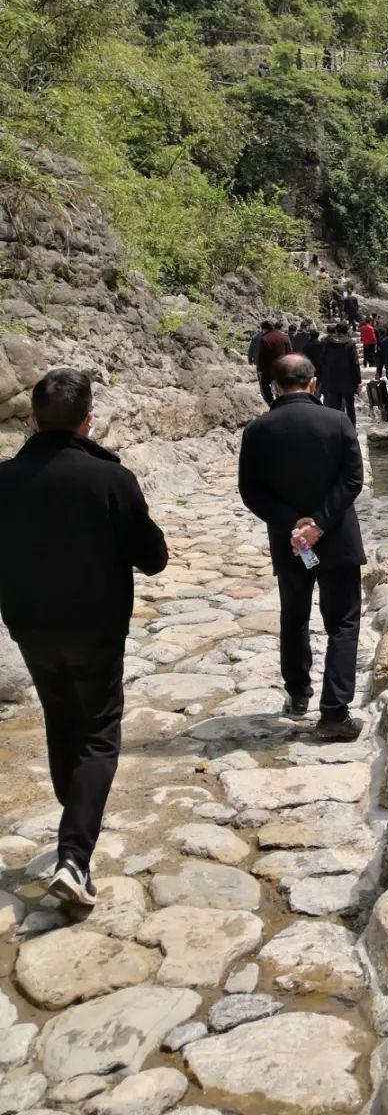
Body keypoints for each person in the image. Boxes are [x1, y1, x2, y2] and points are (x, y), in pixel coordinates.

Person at [0, 369, 168, 907]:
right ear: (88, 418)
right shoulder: (109, 479)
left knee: (60, 720)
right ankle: (74, 855)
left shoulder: (2, 479)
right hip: (95, 627)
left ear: (32, 418)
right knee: (98, 735)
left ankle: (75, 823)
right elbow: (153, 558)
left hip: (28, 624)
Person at [238, 354, 364, 741]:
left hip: (289, 542)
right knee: (342, 622)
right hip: (336, 538)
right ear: (313, 383)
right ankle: (334, 713)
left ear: (275, 387)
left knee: (294, 617)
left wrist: (295, 523)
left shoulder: (257, 430)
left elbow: (251, 492)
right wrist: (319, 523)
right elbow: (352, 480)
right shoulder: (338, 421)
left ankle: (297, 695)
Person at [318, 321, 362, 426]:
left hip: (331, 379)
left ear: (336, 330)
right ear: (347, 331)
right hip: (347, 381)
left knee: (333, 407)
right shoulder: (350, 343)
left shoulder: (326, 342)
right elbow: (355, 364)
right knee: (350, 406)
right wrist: (358, 382)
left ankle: (336, 428)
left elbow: (321, 360)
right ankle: (351, 428)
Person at [256, 319, 291, 407]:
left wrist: (260, 369)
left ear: (265, 329)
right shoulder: (285, 337)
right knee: (282, 385)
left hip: (269, 368)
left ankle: (271, 402)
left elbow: (262, 356)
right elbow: (290, 352)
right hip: (283, 367)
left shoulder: (264, 339)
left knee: (264, 384)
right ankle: (282, 401)